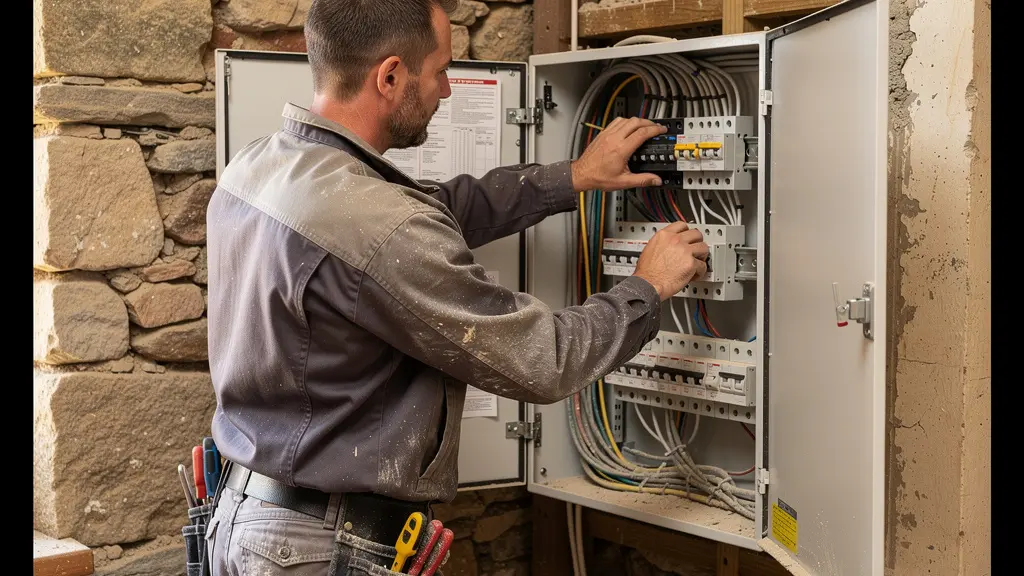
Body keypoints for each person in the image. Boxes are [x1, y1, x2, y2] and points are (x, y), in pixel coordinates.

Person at [202, 0, 709, 574]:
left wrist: (571, 177)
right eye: (440, 70)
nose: (446, 90)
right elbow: (545, 359)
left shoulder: (262, 167)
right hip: (319, 547)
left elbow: (429, 212)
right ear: (390, 76)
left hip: (247, 517)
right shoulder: (377, 225)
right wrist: (648, 285)